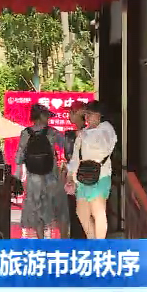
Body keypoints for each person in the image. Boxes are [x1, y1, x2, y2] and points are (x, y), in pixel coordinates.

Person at [14, 103, 69, 239]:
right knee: (57, 208)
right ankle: (62, 239)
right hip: (51, 176)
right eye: (47, 116)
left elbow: (19, 157)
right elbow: (65, 145)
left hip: (33, 178)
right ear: (41, 116)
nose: (48, 119)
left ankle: (40, 239)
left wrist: (17, 177)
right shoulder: (52, 132)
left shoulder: (25, 133)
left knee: (36, 210)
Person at [67, 101, 117, 240]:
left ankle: (98, 245)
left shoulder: (106, 129)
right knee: (81, 212)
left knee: (98, 211)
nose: (87, 117)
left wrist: (83, 135)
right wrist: (70, 176)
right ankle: (92, 239)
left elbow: (102, 145)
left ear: (99, 115)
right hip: (82, 176)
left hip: (100, 176)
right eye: (86, 114)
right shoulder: (84, 132)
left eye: (90, 114)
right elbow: (75, 158)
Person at [63, 102, 88, 239]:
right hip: (74, 180)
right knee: (74, 214)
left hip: (83, 179)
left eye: (71, 112)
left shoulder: (87, 134)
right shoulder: (71, 135)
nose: (69, 115)